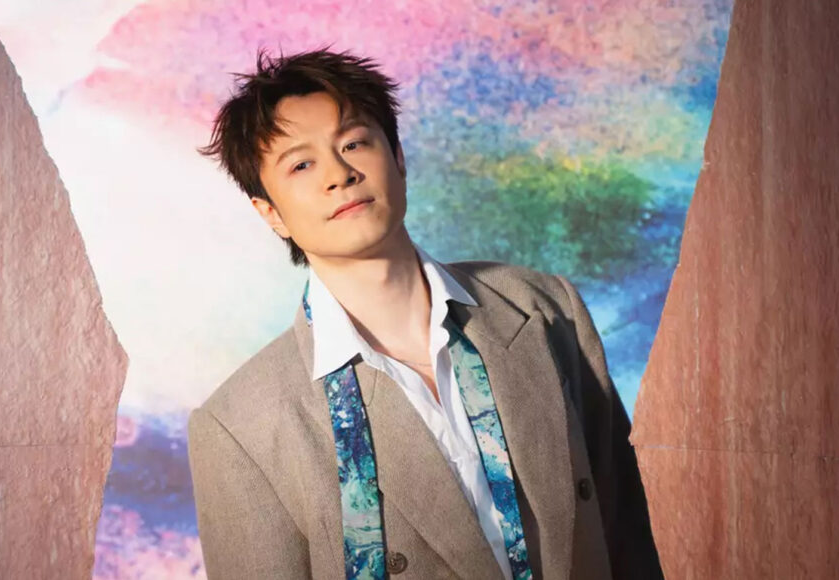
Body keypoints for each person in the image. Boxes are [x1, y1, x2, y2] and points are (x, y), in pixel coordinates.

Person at [187, 47, 663, 580]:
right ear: (270, 213)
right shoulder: (238, 427)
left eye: (354, 143)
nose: (339, 174)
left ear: (398, 158)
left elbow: (627, 537)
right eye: (301, 164)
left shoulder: (543, 308)